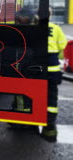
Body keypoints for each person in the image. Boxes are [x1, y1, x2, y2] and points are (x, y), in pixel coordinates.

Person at [41, 9, 68, 142]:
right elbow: (63, 44)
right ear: (50, 15)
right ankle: (50, 119)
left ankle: (36, 116)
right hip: (53, 68)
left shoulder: (37, 28)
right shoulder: (56, 28)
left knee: (38, 93)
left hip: (39, 69)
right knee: (52, 94)